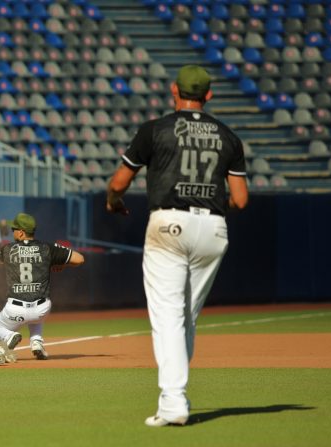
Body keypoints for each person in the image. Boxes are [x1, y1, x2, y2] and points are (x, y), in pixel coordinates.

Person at [105, 65, 249, 427]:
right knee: (187, 317)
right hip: (214, 229)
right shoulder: (228, 136)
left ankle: (173, 401)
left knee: (168, 316)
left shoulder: (156, 130)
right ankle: (174, 395)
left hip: (168, 224)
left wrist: (112, 200)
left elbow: (120, 182)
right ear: (210, 95)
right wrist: (214, 208)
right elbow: (241, 200)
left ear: (174, 90)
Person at [0, 213, 84, 361]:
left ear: (21, 232)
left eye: (14, 229)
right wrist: (61, 263)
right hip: (42, 309)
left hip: (15, 310)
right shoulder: (47, 248)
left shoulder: (7, 249)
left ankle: (10, 336)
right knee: (35, 316)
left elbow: (0, 260)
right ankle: (36, 342)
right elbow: (80, 259)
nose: (13, 232)